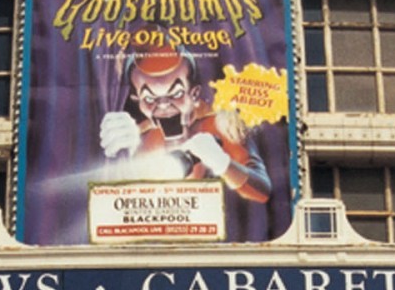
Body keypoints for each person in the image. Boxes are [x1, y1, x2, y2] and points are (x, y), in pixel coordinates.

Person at [99, 44, 271, 202]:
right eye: (150, 98)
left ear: (194, 93)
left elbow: (262, 191)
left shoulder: (219, 124)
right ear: (139, 101)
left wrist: (223, 163)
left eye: (175, 93)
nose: (164, 105)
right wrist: (123, 155)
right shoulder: (140, 135)